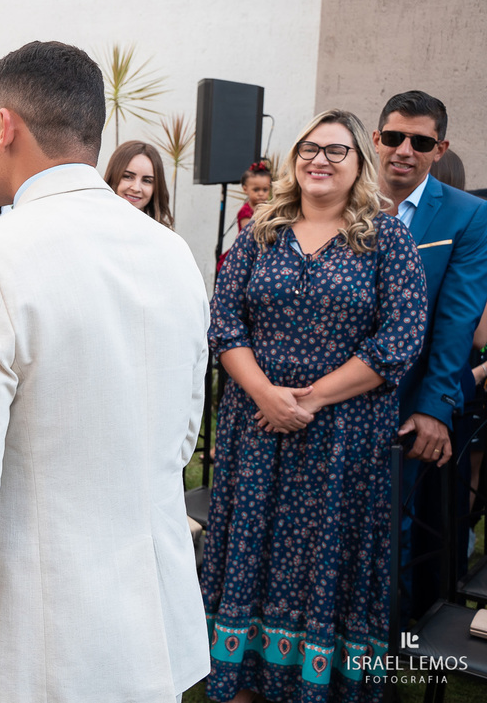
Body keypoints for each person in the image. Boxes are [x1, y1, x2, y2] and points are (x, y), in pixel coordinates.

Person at [0, 41, 211, 702]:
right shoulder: (173, 252)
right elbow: (181, 438)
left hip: (35, 634)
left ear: (5, 127)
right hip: (150, 623)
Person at [203, 109, 426, 703]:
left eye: (336, 151)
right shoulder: (259, 233)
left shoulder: (387, 238)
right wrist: (266, 396)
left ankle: (316, 688)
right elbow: (225, 325)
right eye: (309, 148)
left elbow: (400, 339)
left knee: (325, 561)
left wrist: (311, 400)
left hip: (344, 441)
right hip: (257, 432)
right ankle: (244, 682)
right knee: (255, 552)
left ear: (360, 166)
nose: (319, 160)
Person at [373, 91, 487, 620]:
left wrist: (433, 407)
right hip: (329, 398)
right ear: (376, 139)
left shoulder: (466, 215)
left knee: (393, 529)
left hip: (407, 403)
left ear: (439, 149)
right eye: (394, 137)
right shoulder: (341, 199)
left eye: (420, 141)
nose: (404, 150)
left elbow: (456, 321)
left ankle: (380, 659)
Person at [103, 139, 174, 228]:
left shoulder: (164, 237)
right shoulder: (91, 224)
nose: (136, 188)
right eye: (128, 176)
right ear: (113, 176)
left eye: (147, 181)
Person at [236, 161, 271, 231]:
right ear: (245, 189)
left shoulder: (268, 208)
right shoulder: (245, 211)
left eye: (265, 190)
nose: (261, 194)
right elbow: (248, 232)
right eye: (256, 190)